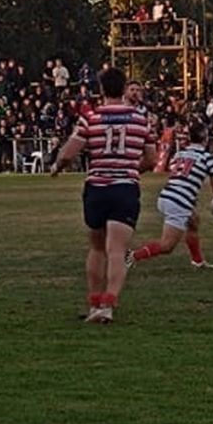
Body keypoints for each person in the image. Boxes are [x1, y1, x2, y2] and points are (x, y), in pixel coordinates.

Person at [50, 67, 157, 324]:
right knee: (117, 250)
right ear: (124, 89)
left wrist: (57, 166)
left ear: (101, 89)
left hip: (97, 188)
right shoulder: (141, 119)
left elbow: (67, 154)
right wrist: (131, 168)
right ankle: (108, 305)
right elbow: (151, 159)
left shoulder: (91, 117)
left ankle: (94, 303)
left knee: (96, 247)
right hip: (124, 188)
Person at [127, 120, 213, 269]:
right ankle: (131, 256)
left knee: (193, 221)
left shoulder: (180, 153)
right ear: (205, 138)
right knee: (167, 246)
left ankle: (198, 261)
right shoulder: (208, 158)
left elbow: (178, 173)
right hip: (178, 202)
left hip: (167, 194)